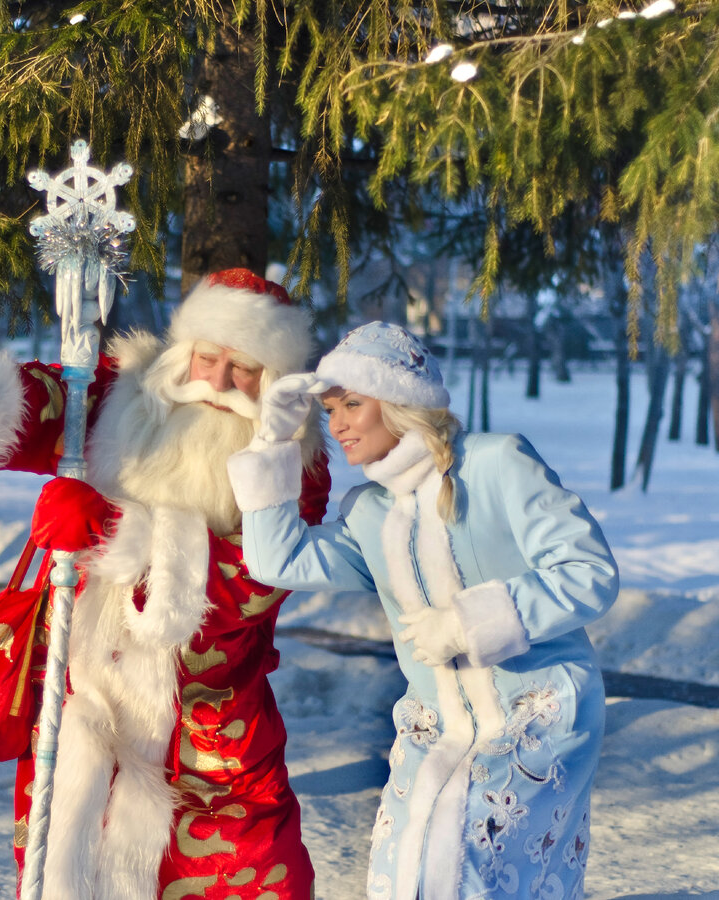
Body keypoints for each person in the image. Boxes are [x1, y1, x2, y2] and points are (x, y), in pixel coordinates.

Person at [0, 268, 331, 900]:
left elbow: (255, 580)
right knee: (69, 868)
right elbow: (42, 404)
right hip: (79, 705)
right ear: (184, 351)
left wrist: (113, 530)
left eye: (247, 369)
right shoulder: (122, 393)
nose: (222, 382)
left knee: (247, 878)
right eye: (209, 357)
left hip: (209, 735)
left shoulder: (293, 462)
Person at [225, 321, 619, 900]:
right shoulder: (369, 510)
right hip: (432, 727)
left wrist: (468, 623)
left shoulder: (497, 463)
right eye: (328, 410)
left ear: (401, 403)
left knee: (475, 870)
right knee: (400, 871)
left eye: (352, 404)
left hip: (540, 714)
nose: (336, 425)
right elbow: (277, 560)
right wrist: (273, 442)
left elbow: (590, 573)